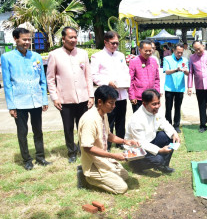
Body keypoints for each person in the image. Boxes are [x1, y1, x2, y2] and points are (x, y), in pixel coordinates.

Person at [1, 28, 50, 170]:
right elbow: (7, 83)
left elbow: (42, 80)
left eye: (29, 39)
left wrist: (44, 100)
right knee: (22, 133)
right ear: (16, 39)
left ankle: (40, 157)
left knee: (38, 131)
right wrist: (11, 105)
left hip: (35, 101)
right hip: (19, 102)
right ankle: (27, 160)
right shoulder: (7, 58)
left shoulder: (36, 57)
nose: (27, 42)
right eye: (24, 39)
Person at [78, 85, 139, 194]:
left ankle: (99, 175)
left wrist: (125, 141)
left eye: (114, 103)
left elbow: (108, 135)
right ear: (100, 102)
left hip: (102, 159)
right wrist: (114, 156)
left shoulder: (103, 114)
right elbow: (88, 148)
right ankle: (87, 178)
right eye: (111, 103)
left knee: (124, 175)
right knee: (121, 188)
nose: (114, 106)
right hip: (93, 162)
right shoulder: (89, 119)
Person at [47, 26, 94, 163]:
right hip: (65, 99)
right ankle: (71, 151)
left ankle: (84, 149)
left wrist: (91, 95)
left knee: (83, 126)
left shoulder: (83, 53)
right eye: (70, 37)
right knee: (68, 127)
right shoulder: (54, 55)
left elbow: (88, 76)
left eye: (75, 37)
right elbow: (50, 78)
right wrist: (54, 98)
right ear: (63, 38)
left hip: (83, 98)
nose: (74, 40)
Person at [91, 31, 130, 151]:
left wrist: (126, 82)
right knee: (108, 120)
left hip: (121, 93)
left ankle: (120, 142)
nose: (115, 45)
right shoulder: (97, 56)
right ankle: (106, 143)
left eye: (117, 43)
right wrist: (108, 82)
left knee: (121, 118)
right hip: (107, 94)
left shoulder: (120, 56)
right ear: (105, 42)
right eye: (112, 43)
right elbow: (94, 75)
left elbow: (125, 72)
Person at [125, 89, 180, 173]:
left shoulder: (156, 110)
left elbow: (164, 123)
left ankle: (163, 166)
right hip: (136, 149)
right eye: (154, 104)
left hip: (150, 140)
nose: (157, 106)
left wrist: (174, 133)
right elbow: (141, 143)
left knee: (170, 137)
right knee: (158, 159)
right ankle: (135, 164)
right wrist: (159, 150)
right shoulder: (137, 119)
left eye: (158, 103)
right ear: (144, 104)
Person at [163, 43, 189, 133]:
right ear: (173, 50)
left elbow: (188, 73)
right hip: (169, 88)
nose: (180, 54)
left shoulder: (185, 60)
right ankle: (168, 125)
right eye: (178, 52)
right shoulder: (167, 59)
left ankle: (176, 125)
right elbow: (166, 71)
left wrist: (186, 71)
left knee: (178, 107)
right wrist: (176, 70)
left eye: (181, 52)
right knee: (168, 108)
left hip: (180, 88)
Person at [128, 39, 160, 112]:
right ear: (140, 50)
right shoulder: (134, 62)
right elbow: (130, 80)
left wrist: (157, 93)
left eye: (150, 50)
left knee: (151, 119)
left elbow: (157, 79)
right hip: (138, 98)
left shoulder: (153, 61)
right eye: (146, 51)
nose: (148, 53)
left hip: (152, 97)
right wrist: (132, 96)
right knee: (138, 121)